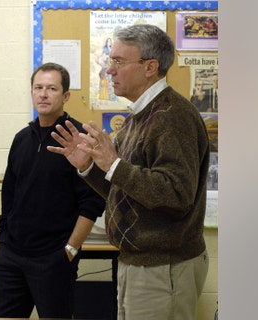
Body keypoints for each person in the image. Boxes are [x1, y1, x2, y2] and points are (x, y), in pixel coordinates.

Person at [48, 24, 210, 320]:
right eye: (111, 61)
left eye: (119, 62)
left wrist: (114, 165)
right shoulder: (139, 117)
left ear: (150, 67)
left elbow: (176, 195)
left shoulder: (172, 116)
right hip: (138, 264)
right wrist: (87, 167)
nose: (109, 70)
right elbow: (123, 188)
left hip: (163, 269)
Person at [0, 62, 105, 319]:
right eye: (38, 88)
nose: (43, 94)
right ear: (31, 92)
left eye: (51, 88)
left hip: (53, 259)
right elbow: (9, 194)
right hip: (11, 256)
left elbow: (93, 201)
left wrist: (70, 250)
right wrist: (3, 239)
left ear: (65, 96)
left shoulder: (79, 139)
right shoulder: (21, 138)